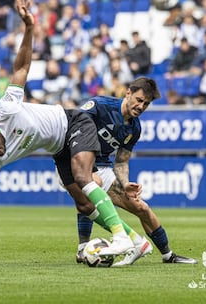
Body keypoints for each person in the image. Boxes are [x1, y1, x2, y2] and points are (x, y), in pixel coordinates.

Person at [0, 0, 140, 265]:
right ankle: (136, 241)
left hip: (74, 122)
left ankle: (120, 238)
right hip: (59, 148)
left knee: (83, 176)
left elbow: (21, 66)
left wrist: (29, 28)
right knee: (84, 204)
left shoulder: (6, 109)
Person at [70, 77, 198, 265]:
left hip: (103, 167)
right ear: (128, 92)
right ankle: (83, 248)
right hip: (77, 162)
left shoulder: (134, 128)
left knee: (141, 207)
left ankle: (168, 255)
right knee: (91, 187)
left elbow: (121, 161)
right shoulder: (100, 105)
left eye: (146, 104)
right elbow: (73, 123)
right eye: (139, 100)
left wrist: (125, 183)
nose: (141, 106)